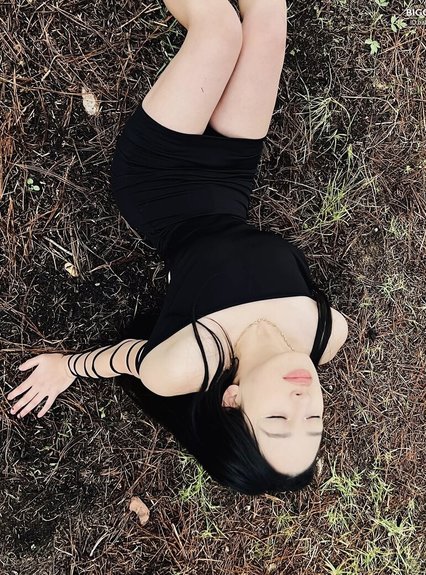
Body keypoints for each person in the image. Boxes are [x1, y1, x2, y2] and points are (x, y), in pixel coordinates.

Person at [7, 0, 348, 495]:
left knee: (219, 32)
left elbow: (127, 359)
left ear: (232, 401)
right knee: (269, 22)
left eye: (278, 419)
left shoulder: (190, 363)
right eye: (314, 421)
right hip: (231, 176)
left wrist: (66, 367)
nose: (302, 402)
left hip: (158, 185)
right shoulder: (326, 332)